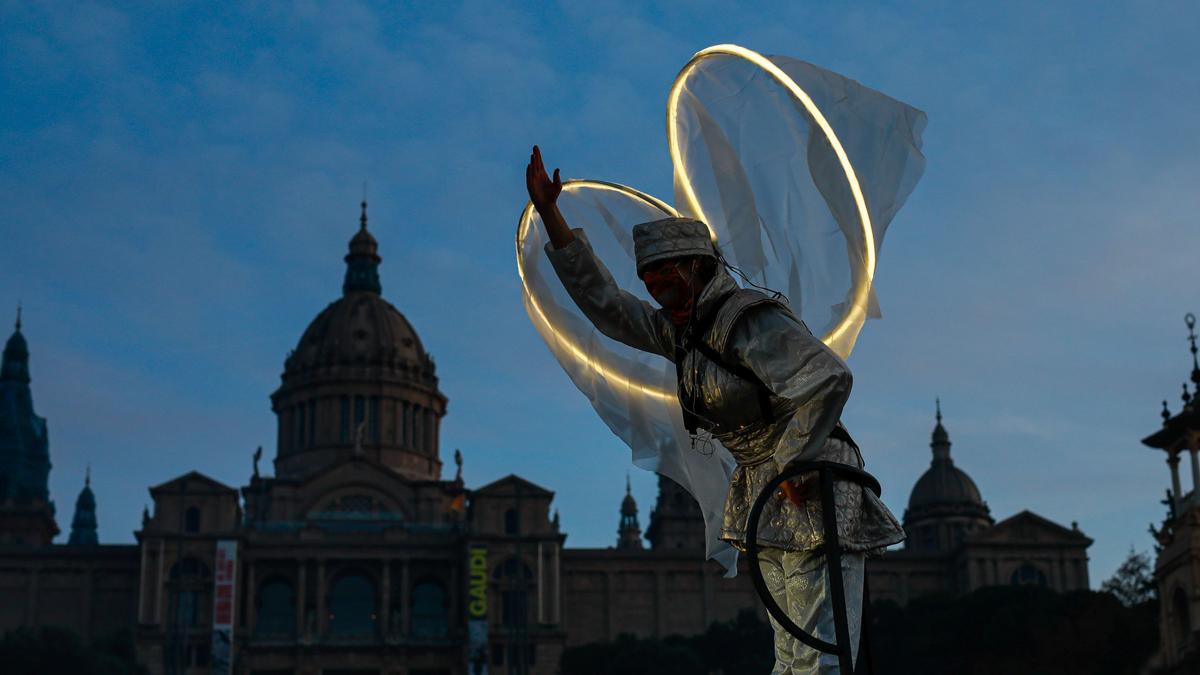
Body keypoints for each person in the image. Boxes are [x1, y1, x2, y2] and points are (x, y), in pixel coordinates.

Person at [526, 145, 905, 674]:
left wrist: (791, 465)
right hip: (764, 484)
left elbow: (829, 379)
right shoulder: (680, 331)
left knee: (820, 649)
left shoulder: (747, 319)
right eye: (651, 285)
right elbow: (608, 306)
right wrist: (552, 216)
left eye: (667, 280)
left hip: (812, 476)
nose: (659, 294)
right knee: (789, 652)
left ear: (698, 268)